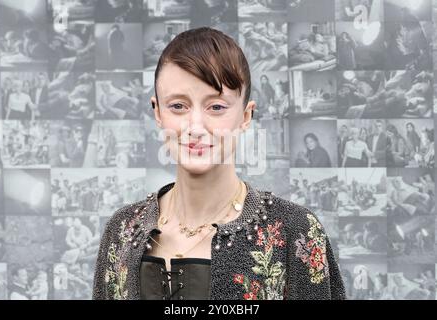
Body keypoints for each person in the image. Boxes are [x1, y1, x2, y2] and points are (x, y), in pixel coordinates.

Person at [93, 27, 345, 300]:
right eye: (178, 106)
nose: (196, 127)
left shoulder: (296, 230)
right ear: (157, 112)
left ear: (246, 115)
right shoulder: (122, 230)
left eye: (216, 107)